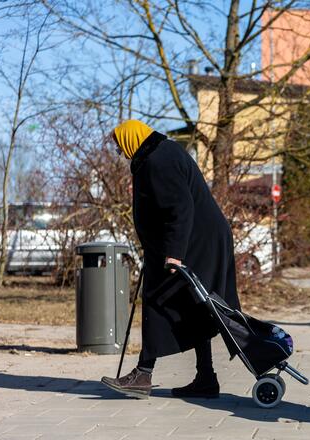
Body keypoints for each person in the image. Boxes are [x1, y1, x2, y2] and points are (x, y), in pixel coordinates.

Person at [101, 120, 240, 399]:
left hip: (195, 243)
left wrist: (174, 254)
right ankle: (206, 378)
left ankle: (143, 374)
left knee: (158, 300)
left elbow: (180, 207)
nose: (119, 151)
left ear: (131, 139)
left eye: (119, 145)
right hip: (195, 240)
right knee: (197, 305)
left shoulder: (158, 160)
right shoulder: (159, 154)